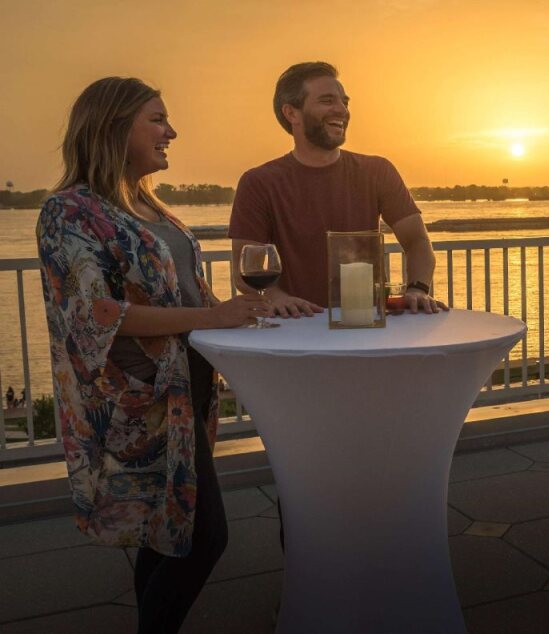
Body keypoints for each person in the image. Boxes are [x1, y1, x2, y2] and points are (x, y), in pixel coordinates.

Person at [36, 77, 271, 633]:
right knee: (205, 536)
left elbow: (181, 295)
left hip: (188, 388)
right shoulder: (70, 212)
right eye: (158, 120)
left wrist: (243, 312)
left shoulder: (149, 205)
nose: (172, 132)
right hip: (141, 403)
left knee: (163, 531)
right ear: (114, 127)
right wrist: (212, 318)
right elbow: (99, 314)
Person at [229, 61, 447, 316]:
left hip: (367, 321)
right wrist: (276, 297)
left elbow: (417, 241)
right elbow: (245, 270)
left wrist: (417, 289)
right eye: (327, 101)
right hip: (297, 325)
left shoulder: (377, 171)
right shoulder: (259, 182)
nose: (342, 110)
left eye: (344, 102)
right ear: (291, 113)